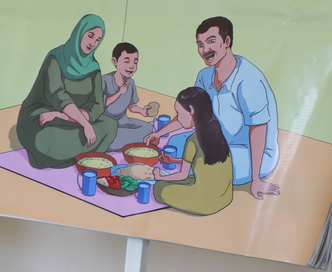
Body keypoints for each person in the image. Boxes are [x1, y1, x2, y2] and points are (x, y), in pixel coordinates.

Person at [146, 16, 279, 199]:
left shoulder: (249, 80)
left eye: (211, 41)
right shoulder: (205, 76)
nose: (204, 50)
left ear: (227, 42)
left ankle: (188, 172)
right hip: (217, 140)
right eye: (200, 44)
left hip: (249, 150)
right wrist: (159, 133)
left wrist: (256, 180)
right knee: (175, 143)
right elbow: (191, 113)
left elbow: (258, 129)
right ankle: (186, 164)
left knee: (208, 165)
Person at [16, 14, 116, 168]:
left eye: (98, 40)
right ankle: (75, 153)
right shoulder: (56, 58)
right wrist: (85, 125)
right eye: (90, 36)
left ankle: (68, 153)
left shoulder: (93, 67)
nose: (93, 43)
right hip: (42, 117)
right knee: (46, 137)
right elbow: (58, 96)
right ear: (80, 32)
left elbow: (97, 104)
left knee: (110, 125)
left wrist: (68, 117)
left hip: (69, 119)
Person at [153, 87, 234, 215]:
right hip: (224, 197)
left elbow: (182, 175)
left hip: (206, 203)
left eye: (179, 113)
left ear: (191, 110)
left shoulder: (193, 139)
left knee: (159, 188)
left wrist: (160, 177)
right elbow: (204, 161)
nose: (178, 118)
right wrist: (175, 160)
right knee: (190, 179)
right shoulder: (217, 131)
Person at [101, 42, 154, 151]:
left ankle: (119, 142)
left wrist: (142, 111)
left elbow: (132, 106)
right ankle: (119, 142)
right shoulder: (105, 80)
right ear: (115, 62)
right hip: (106, 122)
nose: (132, 66)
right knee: (109, 135)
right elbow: (100, 104)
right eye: (126, 61)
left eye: (135, 62)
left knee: (148, 127)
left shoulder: (130, 82)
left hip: (123, 120)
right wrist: (119, 93)